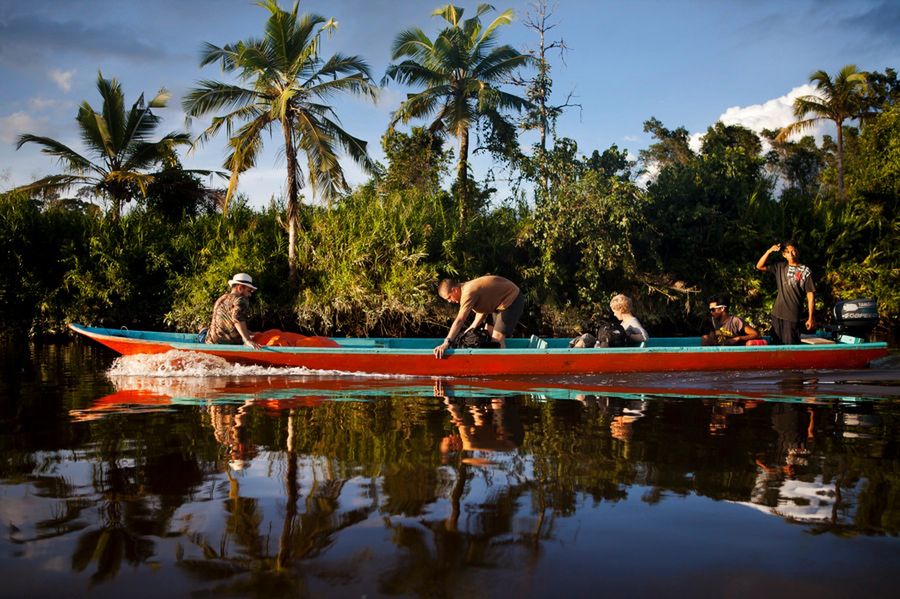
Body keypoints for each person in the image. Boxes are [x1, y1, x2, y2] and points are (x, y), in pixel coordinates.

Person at [433, 275, 524, 359]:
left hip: (512, 299)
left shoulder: (468, 292)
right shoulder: (465, 289)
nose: (449, 301)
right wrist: (470, 328)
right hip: (497, 305)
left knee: (496, 340)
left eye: (449, 297)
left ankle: (502, 369)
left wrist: (446, 342)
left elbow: (460, 320)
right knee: (488, 334)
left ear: (454, 290)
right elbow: (482, 311)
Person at [755, 241, 815, 345]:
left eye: (793, 251)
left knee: (791, 346)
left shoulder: (805, 271)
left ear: (798, 252)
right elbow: (759, 266)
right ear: (784, 255)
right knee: (776, 346)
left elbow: (811, 296)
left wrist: (811, 318)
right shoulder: (780, 267)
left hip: (792, 316)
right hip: (776, 314)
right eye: (788, 252)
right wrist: (769, 251)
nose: (791, 254)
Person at [205, 273, 262, 349]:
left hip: (209, 342)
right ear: (240, 288)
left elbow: (227, 323)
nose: (250, 295)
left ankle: (202, 332)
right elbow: (237, 318)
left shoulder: (222, 298)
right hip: (223, 345)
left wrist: (250, 333)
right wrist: (247, 340)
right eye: (249, 291)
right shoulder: (240, 300)